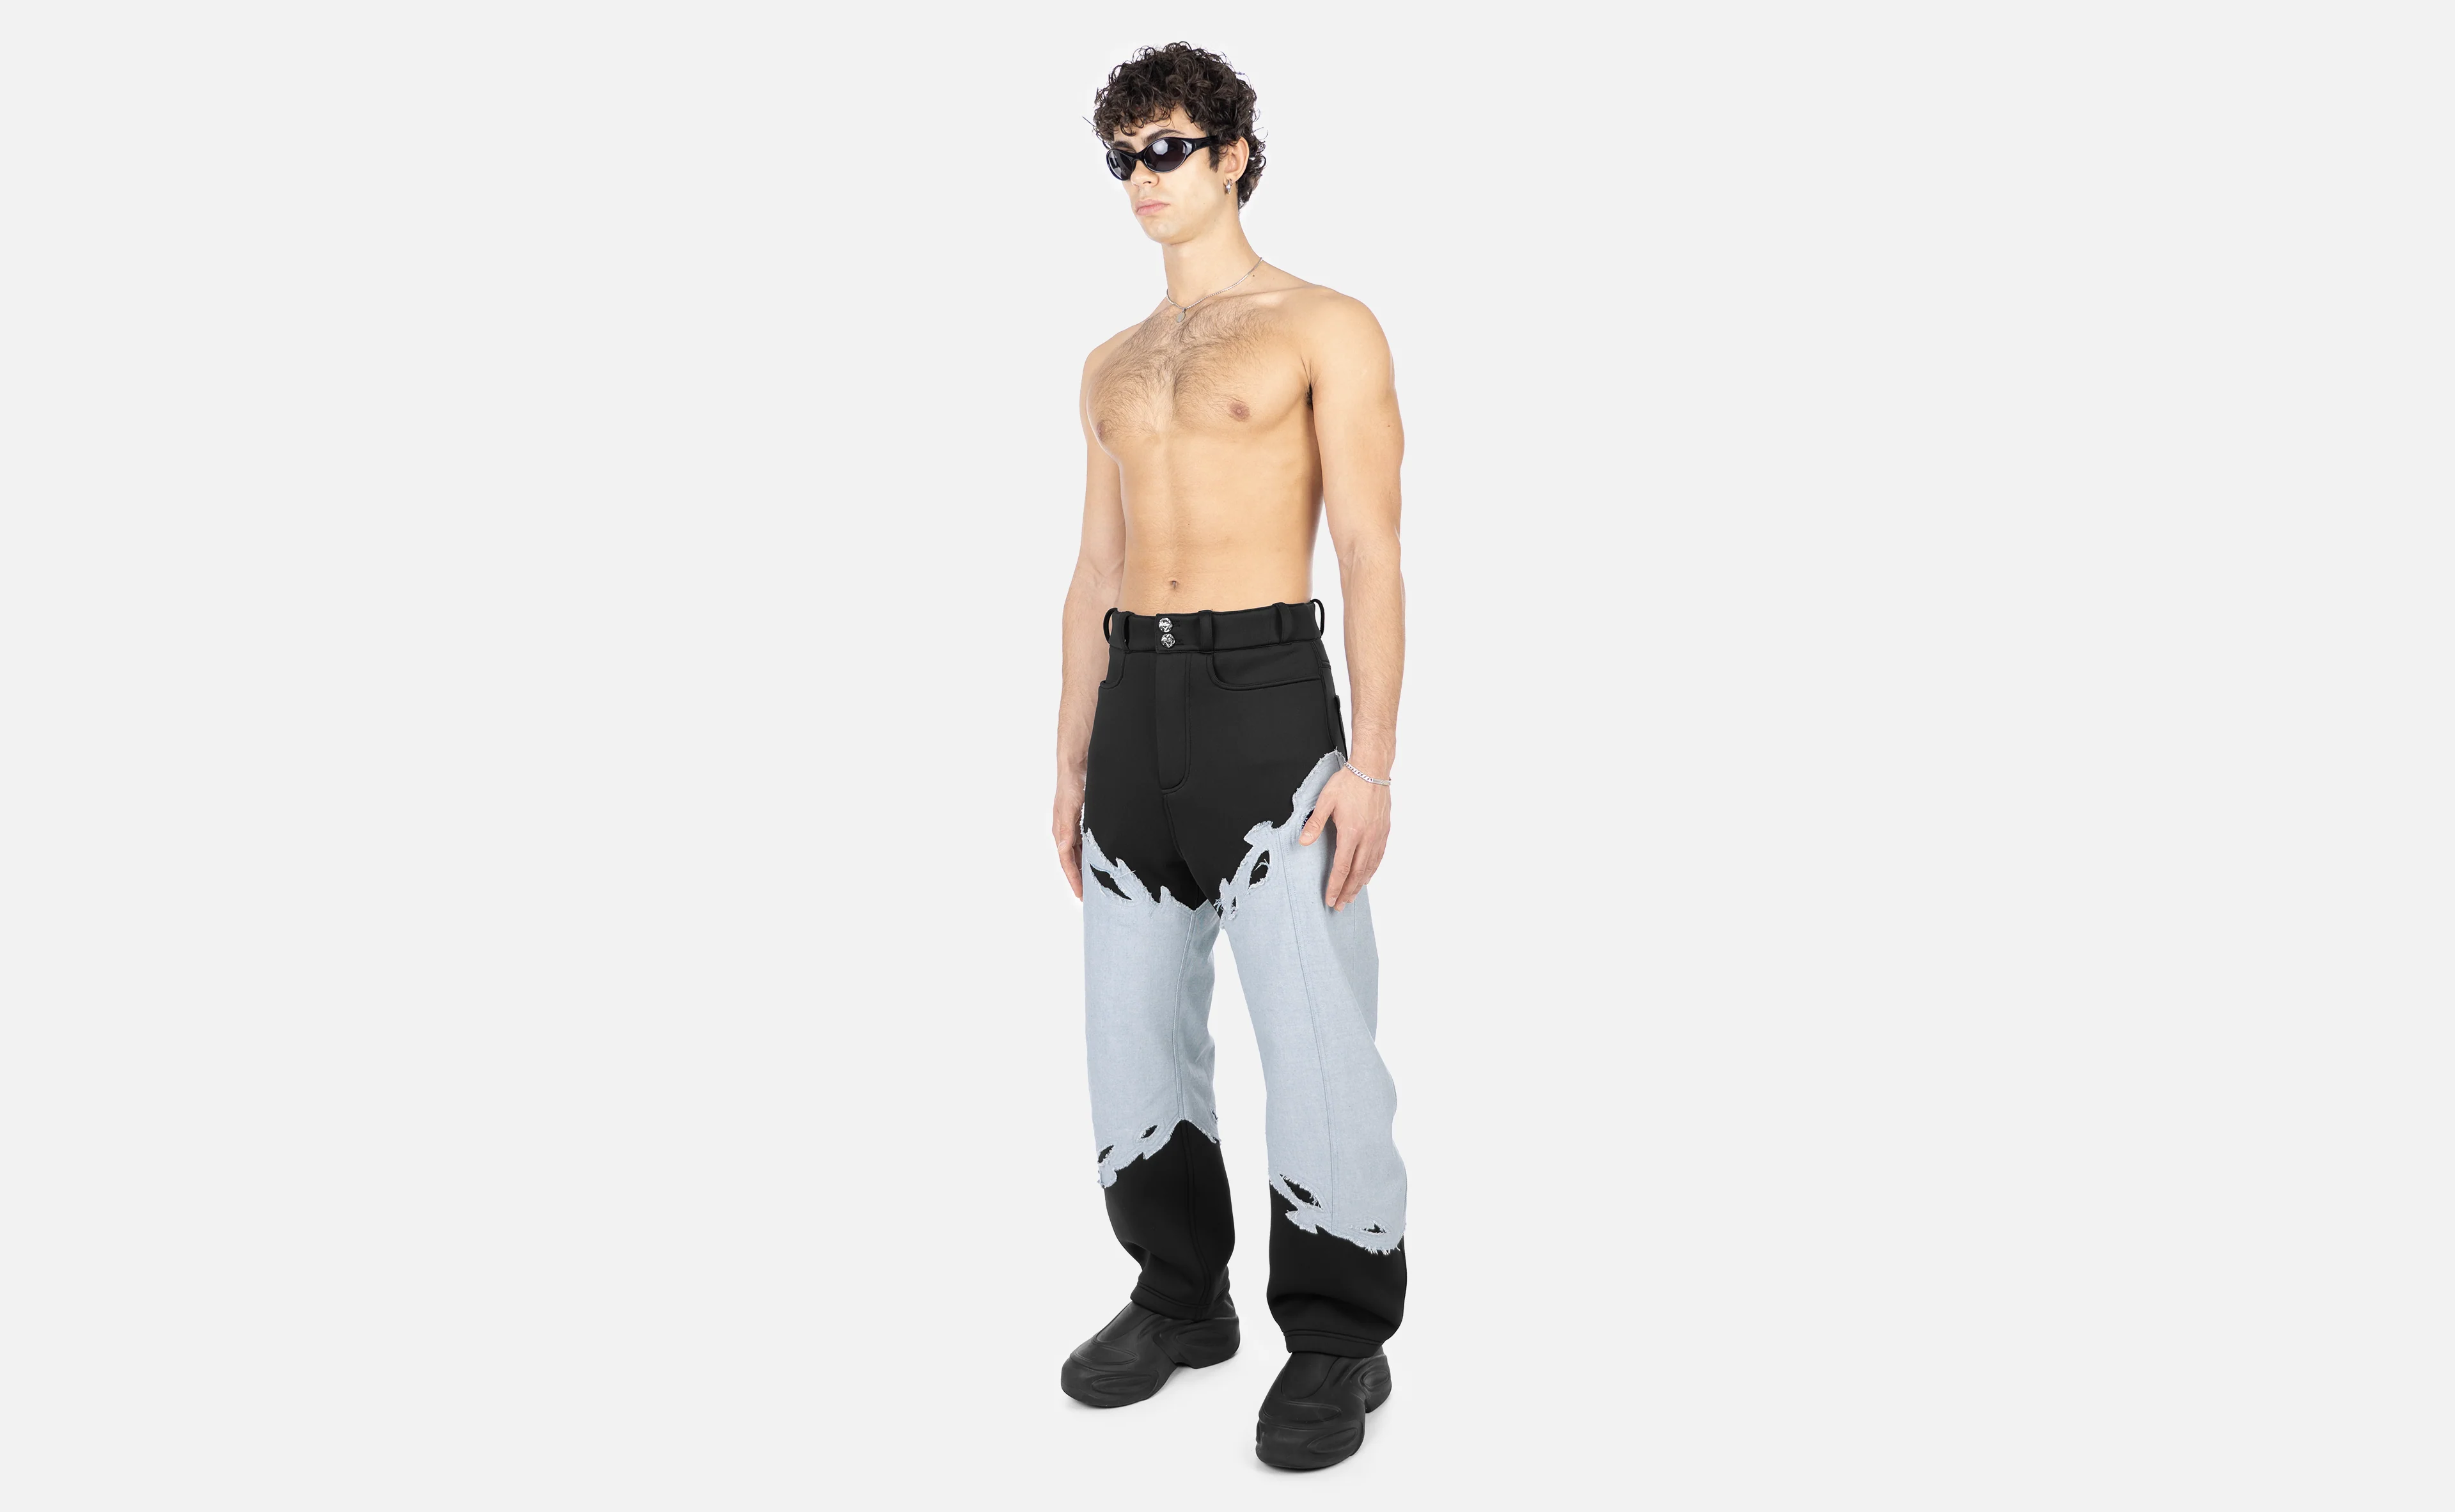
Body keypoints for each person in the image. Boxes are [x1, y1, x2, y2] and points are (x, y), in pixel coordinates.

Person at [1049, 43, 1410, 1472]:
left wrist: (1371, 763)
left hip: (1268, 701)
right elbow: (1093, 569)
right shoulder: (1111, 362)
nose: (1142, 178)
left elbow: (1371, 549)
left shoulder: (1324, 325)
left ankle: (1336, 1336)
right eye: (1122, 157)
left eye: (1166, 150)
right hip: (1132, 705)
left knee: (1313, 1029)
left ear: (1233, 156)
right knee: (1128, 1026)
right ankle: (1178, 1296)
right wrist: (1068, 761)